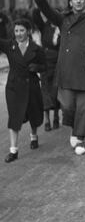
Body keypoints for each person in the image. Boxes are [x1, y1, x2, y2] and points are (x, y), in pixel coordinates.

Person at [33, 0, 85, 155]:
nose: (78, 1)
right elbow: (46, 10)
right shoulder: (62, 19)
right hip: (65, 70)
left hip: (84, 69)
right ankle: (74, 128)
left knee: (83, 107)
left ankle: (79, 138)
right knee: (67, 106)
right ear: (70, 1)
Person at [1, 19, 46, 163]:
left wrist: (36, 68)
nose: (19, 34)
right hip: (14, 88)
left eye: (21, 30)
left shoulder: (36, 49)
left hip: (31, 85)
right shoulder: (9, 46)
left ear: (28, 31)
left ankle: (33, 136)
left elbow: (44, 66)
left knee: (33, 112)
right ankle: (13, 150)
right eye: (16, 31)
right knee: (14, 117)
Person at [32, 8, 61, 132]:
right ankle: (47, 119)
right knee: (45, 91)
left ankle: (55, 116)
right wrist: (40, 3)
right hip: (44, 62)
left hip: (58, 63)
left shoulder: (62, 28)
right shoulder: (45, 26)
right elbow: (36, 16)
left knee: (56, 90)